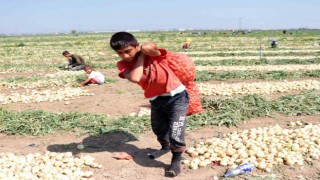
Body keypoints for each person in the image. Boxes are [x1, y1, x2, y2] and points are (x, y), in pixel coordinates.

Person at [110, 32, 190, 177]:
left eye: (128, 51)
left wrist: (144, 50)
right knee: (158, 128)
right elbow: (135, 77)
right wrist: (140, 57)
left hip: (177, 96)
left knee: (176, 129)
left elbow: (150, 47)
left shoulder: (152, 55)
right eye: (120, 53)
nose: (125, 56)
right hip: (156, 99)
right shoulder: (123, 64)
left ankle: (176, 159)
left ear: (137, 46)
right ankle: (165, 147)